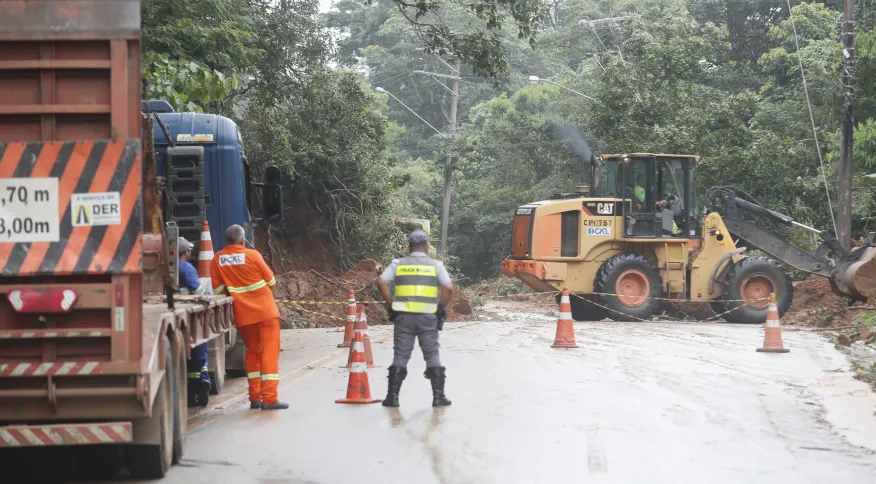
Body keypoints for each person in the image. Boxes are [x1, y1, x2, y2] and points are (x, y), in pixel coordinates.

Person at [210, 225, 289, 410]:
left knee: (252, 354)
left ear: (227, 241)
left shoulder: (217, 260)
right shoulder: (252, 255)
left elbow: (219, 291)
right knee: (269, 354)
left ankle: (255, 397)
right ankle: (269, 399)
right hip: (266, 313)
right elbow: (271, 281)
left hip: (243, 316)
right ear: (242, 241)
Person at [376, 229, 453, 408]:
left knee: (401, 355)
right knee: (432, 354)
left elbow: (381, 282)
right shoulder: (436, 265)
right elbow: (448, 288)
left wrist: (391, 304)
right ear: (427, 246)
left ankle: (392, 397)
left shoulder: (398, 264)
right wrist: (440, 308)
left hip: (403, 317)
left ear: (409, 246)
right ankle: (438, 396)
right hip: (428, 317)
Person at [177, 237, 211, 408]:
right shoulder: (186, 267)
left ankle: (193, 392)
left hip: (176, 314)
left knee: (191, 360)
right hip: (190, 315)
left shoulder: (162, 267)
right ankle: (203, 381)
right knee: (199, 351)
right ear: (186, 252)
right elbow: (197, 290)